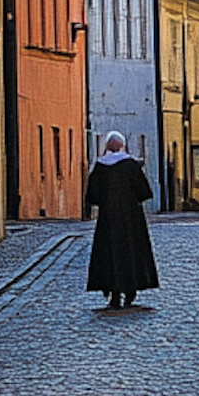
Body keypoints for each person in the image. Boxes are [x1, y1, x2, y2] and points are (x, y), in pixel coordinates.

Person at [84, 131, 160, 308]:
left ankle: (114, 292)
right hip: (131, 218)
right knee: (131, 252)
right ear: (122, 145)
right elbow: (144, 192)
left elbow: (92, 196)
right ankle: (130, 288)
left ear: (108, 147)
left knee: (110, 253)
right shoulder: (131, 166)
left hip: (108, 220)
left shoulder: (101, 167)